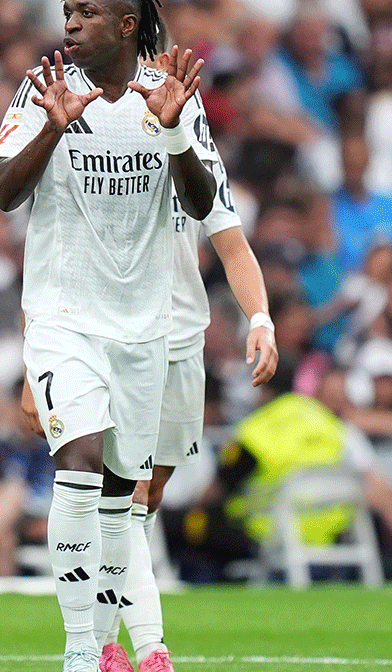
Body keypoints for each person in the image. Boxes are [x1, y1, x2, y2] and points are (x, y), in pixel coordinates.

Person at [0, 0, 216, 672]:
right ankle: (81, 651)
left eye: (85, 13)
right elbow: (2, 191)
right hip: (63, 316)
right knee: (79, 466)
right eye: (67, 11)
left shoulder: (167, 92)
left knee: (124, 495)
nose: (71, 24)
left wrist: (174, 129)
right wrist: (52, 130)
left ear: (125, 24)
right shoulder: (43, 88)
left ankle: (124, 644)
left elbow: (203, 203)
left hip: (144, 326)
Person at [98, 98, 279, 672]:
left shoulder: (195, 156)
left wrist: (260, 319)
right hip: (117, 339)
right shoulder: (100, 149)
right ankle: (142, 648)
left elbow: (232, 243)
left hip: (183, 340)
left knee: (146, 500)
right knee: (123, 498)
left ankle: (104, 635)